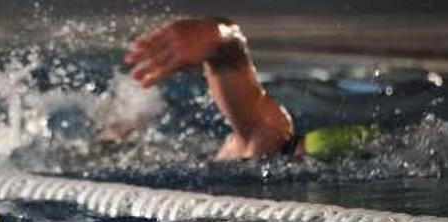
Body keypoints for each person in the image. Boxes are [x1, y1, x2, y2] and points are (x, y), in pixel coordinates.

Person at [122, 16, 376, 160]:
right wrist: (215, 36)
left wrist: (216, 40)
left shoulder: (262, 142)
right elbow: (230, 51)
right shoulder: (270, 134)